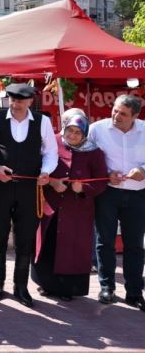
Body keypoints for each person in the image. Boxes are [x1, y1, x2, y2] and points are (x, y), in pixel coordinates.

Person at [0, 83, 58, 308]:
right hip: (0, 186)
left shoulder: (42, 121)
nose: (15, 104)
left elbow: (51, 152)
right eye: (12, 100)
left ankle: (21, 286)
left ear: (29, 101)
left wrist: (46, 172)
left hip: (29, 188)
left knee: (25, 238)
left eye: (20, 101)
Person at [32, 110, 108, 301]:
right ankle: (46, 284)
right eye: (70, 131)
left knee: (71, 250)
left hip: (77, 211)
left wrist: (82, 188)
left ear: (84, 134)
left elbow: (101, 182)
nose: (72, 135)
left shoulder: (94, 152)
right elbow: (38, 169)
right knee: (49, 245)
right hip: (52, 205)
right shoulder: (52, 144)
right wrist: (51, 182)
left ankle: (67, 289)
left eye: (77, 132)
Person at [88, 95, 145, 310]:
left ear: (135, 116)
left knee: (135, 245)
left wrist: (143, 170)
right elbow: (87, 159)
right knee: (105, 242)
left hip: (138, 194)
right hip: (107, 193)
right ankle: (107, 287)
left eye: (122, 114)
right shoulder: (96, 129)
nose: (116, 116)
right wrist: (106, 174)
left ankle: (134, 292)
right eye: (114, 110)